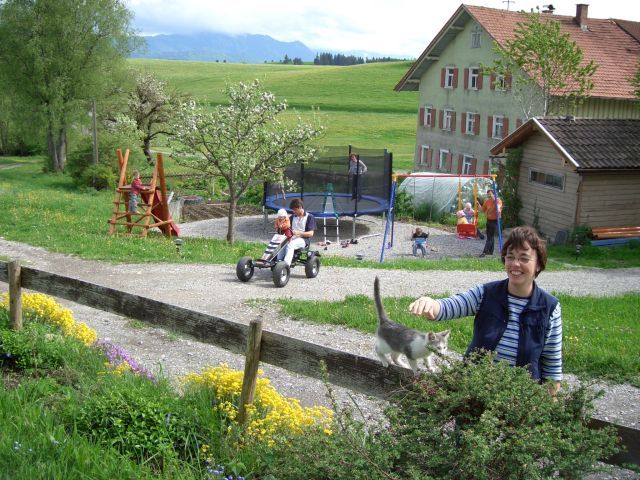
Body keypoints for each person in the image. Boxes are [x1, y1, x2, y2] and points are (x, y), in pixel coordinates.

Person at [408, 226, 562, 393]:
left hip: (520, 403)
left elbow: (552, 369)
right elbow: (449, 306)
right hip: (474, 394)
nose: (515, 264)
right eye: (510, 257)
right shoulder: (486, 293)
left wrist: (547, 407)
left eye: (524, 258)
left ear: (538, 264)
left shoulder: (550, 307)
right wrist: (431, 303)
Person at [277, 198, 316, 267]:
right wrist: (280, 226)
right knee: (281, 243)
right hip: (292, 237)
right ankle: (278, 263)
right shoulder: (292, 217)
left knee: (290, 244)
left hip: (304, 239)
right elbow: (286, 227)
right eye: (293, 210)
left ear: (300, 207)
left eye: (295, 210)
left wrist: (299, 233)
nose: (293, 211)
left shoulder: (309, 217)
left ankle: (285, 266)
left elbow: (311, 233)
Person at [478, 189, 502, 257]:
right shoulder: (487, 201)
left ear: (494, 194)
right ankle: (491, 252)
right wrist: (478, 205)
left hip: (495, 221)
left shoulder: (498, 200)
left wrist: (498, 209)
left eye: (490, 194)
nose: (489, 196)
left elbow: (499, 206)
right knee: (490, 236)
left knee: (490, 237)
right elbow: (482, 210)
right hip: (489, 220)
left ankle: (484, 252)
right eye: (488, 194)